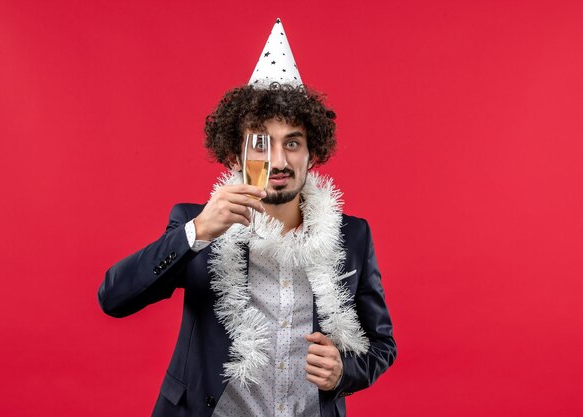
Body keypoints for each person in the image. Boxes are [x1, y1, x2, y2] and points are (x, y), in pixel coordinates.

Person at [98, 19, 395, 417]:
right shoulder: (197, 224)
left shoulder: (352, 236)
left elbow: (382, 345)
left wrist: (345, 371)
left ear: (312, 155)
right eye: (261, 143)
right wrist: (198, 231)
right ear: (235, 156)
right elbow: (113, 298)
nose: (278, 159)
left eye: (292, 143)